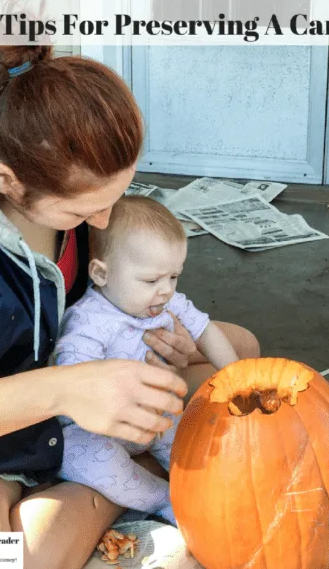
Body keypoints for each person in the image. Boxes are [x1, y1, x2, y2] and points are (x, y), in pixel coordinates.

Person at [0, 44, 259, 569]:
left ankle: (108, 480)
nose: (105, 224)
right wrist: (64, 389)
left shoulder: (63, 161)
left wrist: (166, 342)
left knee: (240, 349)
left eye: (116, 197)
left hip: (73, 392)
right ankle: (125, 484)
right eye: (85, 210)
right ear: (6, 182)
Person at [54, 196, 240, 526]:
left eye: (174, 277)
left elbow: (206, 330)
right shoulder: (88, 322)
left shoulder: (162, 301)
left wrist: (238, 378)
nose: (166, 290)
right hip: (100, 430)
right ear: (101, 274)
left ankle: (210, 484)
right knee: (89, 458)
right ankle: (162, 498)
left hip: (156, 418)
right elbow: (76, 385)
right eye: (152, 280)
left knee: (193, 446)